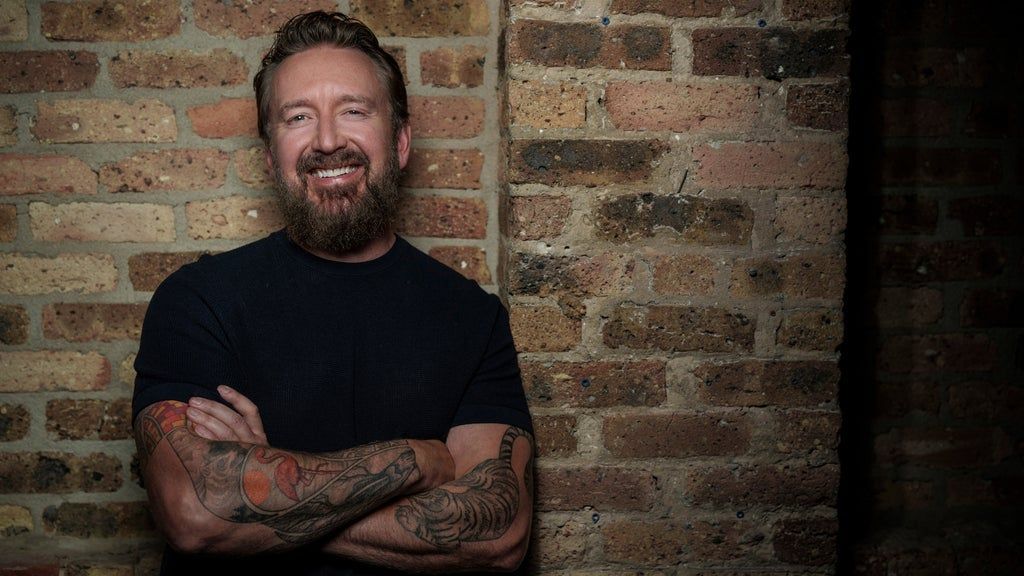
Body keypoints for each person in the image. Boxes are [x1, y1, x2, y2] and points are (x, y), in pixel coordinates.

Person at [131, 11, 534, 576]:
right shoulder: (197, 303)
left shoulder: (473, 318)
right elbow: (195, 511)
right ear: (270, 155)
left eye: (354, 111)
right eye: (298, 117)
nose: (326, 140)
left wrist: (265, 492)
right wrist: (419, 461)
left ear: (400, 142)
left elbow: (497, 534)